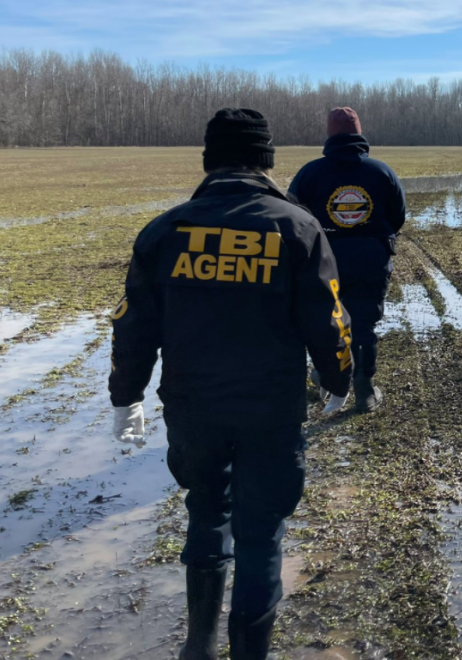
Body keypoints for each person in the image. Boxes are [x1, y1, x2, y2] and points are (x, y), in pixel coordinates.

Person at [109, 108, 353, 660]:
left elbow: (132, 325)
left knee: (205, 510)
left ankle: (197, 646)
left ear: (209, 161)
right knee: (261, 530)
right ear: (266, 161)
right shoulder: (297, 227)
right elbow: (330, 319)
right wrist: (337, 377)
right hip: (270, 408)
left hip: (193, 408)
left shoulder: (165, 230)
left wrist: (127, 397)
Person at [289, 107, 406, 413]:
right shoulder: (381, 172)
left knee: (324, 322)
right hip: (371, 259)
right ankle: (364, 391)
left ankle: (324, 374)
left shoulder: (310, 173)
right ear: (359, 133)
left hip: (323, 261)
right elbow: (397, 216)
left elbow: (294, 218)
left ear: (329, 134)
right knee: (363, 324)